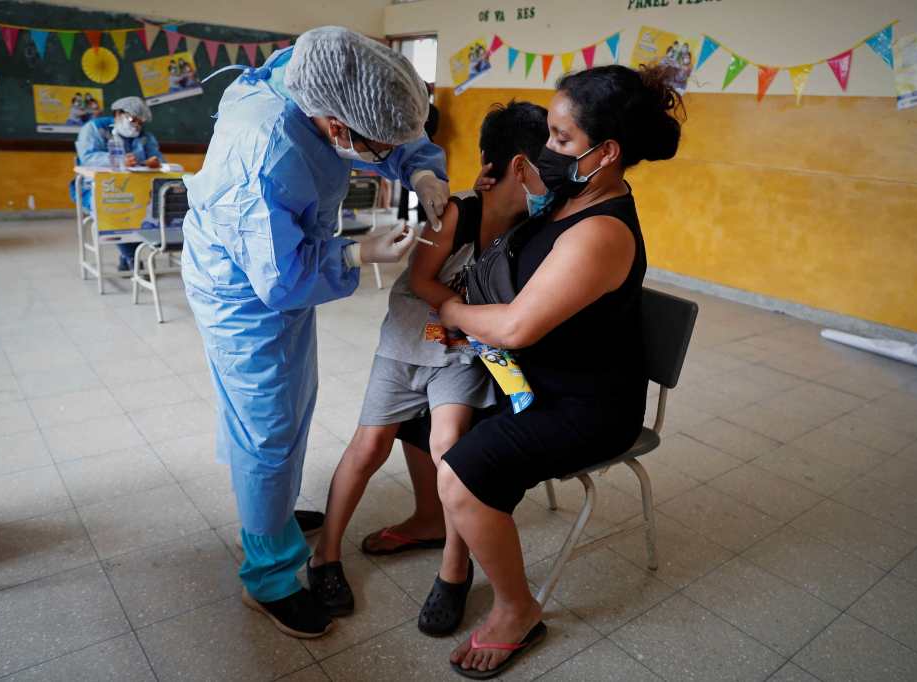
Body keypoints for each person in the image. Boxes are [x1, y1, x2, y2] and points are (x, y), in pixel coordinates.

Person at [180, 26, 452, 640]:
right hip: (245, 288)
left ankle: (270, 517)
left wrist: (424, 170)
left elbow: (390, 128)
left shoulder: (319, 70)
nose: (388, 155)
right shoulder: (264, 153)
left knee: (288, 405)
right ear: (334, 127)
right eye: (378, 148)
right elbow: (282, 279)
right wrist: (355, 255)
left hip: (279, 261)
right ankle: (270, 576)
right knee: (267, 428)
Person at [433, 64, 683, 677]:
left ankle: (516, 609)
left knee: (460, 477)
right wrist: (491, 192)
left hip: (586, 406)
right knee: (432, 419)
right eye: (548, 133)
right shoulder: (574, 192)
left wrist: (451, 308)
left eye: (562, 139)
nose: (547, 150)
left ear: (607, 152)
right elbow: (514, 241)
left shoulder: (601, 232)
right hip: (537, 379)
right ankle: (454, 559)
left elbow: (518, 327)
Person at [308, 102, 550, 626]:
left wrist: (476, 330)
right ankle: (325, 554)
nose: (551, 181)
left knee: (450, 450)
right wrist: (474, 317)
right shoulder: (460, 213)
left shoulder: (534, 229)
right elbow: (421, 281)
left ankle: (453, 569)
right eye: (546, 166)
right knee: (368, 445)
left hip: (461, 357)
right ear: (516, 168)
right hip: (406, 346)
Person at [71, 96, 163, 271]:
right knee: (122, 205)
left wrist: (155, 161)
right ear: (118, 113)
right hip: (97, 187)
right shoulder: (94, 129)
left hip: (137, 188)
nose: (137, 126)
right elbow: (88, 158)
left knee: (149, 206)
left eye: (140, 122)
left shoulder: (144, 135)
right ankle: (130, 256)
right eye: (133, 120)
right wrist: (119, 160)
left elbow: (157, 158)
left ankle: (132, 254)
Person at [399, 83, 440, 226]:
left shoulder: (431, 111)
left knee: (423, 184)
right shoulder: (414, 110)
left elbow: (432, 130)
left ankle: (415, 216)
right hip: (416, 148)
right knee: (416, 184)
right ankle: (411, 216)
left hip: (415, 148)